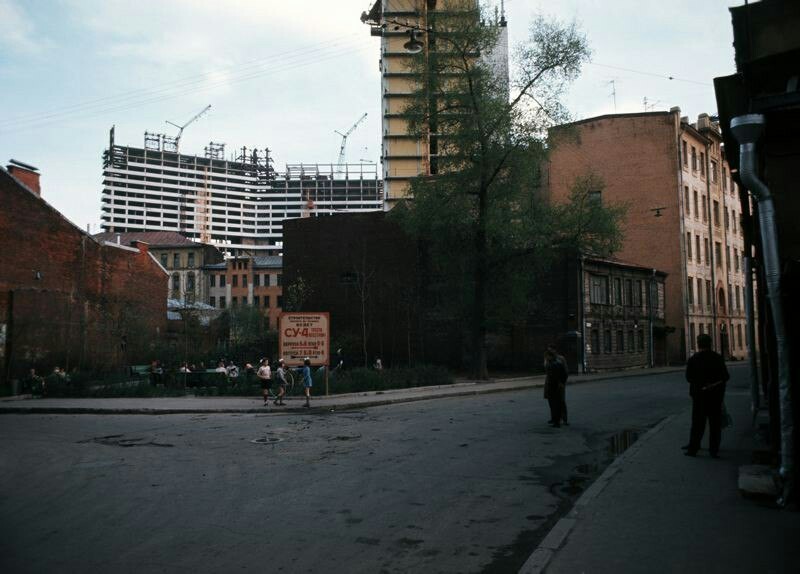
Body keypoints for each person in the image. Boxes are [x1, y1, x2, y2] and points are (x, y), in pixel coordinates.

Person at [684, 333, 730, 458]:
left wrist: (699, 384)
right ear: (710, 344)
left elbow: (689, 378)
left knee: (698, 424)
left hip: (699, 397)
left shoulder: (694, 359)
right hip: (715, 397)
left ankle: (693, 449)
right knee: (715, 425)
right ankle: (713, 451)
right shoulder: (717, 358)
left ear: (698, 345)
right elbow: (725, 377)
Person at [543, 346, 568, 428]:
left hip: (558, 383)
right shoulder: (548, 360)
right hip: (550, 382)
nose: (549, 351)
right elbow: (546, 370)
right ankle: (554, 418)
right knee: (552, 402)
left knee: (560, 401)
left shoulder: (560, 359)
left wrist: (562, 383)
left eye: (551, 350)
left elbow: (564, 371)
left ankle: (563, 419)